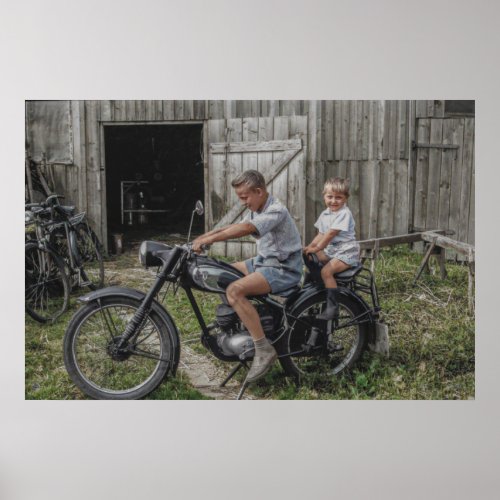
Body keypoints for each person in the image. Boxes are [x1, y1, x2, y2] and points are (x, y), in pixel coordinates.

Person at [192, 170, 303, 383]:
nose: (243, 202)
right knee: (223, 274)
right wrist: (203, 237)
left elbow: (245, 229)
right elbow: (233, 226)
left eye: (244, 197)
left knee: (233, 290)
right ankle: (240, 327)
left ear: (259, 191)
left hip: (283, 268)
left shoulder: (275, 210)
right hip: (263, 262)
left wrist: (211, 240)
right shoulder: (257, 207)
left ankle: (263, 348)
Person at [303, 177, 360, 320]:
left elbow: (330, 234)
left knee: (326, 271)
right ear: (324, 196)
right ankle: (310, 292)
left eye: (338, 198)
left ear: (346, 198)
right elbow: (321, 234)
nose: (333, 201)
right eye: (330, 197)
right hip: (333, 251)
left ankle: (332, 308)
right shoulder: (325, 214)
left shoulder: (344, 214)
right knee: (311, 259)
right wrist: (310, 247)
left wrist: (317, 248)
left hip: (347, 252)